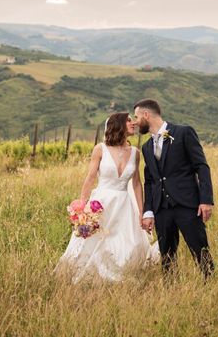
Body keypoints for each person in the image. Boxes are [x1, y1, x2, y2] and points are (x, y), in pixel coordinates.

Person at [56, 112, 159, 283]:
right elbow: (90, 177)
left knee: (130, 242)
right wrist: (83, 206)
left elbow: (136, 184)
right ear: (118, 124)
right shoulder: (100, 149)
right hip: (101, 203)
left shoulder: (135, 153)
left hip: (125, 204)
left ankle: (123, 274)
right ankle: (89, 276)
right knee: (94, 240)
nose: (133, 123)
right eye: (128, 120)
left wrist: (142, 211)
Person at [132, 99, 215, 280]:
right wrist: (148, 211)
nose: (135, 122)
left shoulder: (183, 133)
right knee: (167, 257)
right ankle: (171, 291)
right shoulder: (146, 147)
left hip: (187, 205)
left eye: (137, 117)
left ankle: (211, 285)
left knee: (200, 250)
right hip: (162, 209)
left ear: (146, 115)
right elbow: (150, 181)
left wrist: (206, 200)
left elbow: (201, 167)